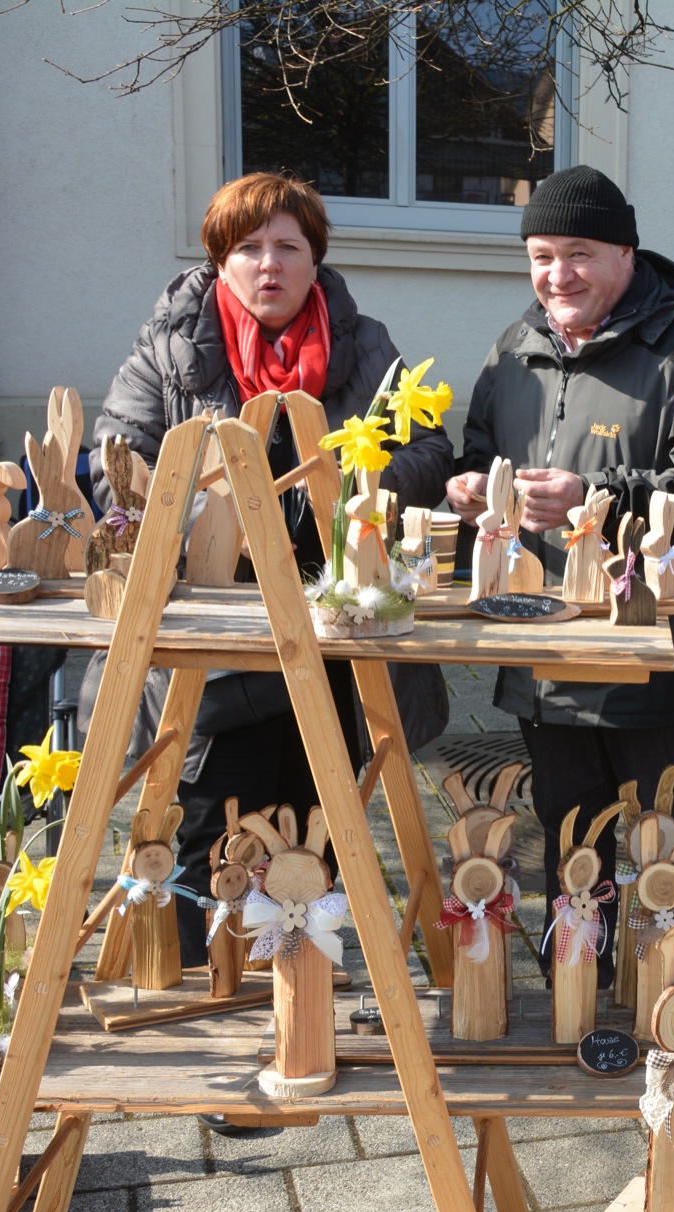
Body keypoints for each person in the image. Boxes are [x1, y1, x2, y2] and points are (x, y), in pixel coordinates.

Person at [85, 171, 454, 973]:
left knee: (314, 832)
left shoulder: (363, 348)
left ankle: (297, 1012)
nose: (268, 264)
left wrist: (357, 491)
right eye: (247, 247)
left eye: (288, 246)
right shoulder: (171, 348)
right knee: (209, 831)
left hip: (329, 637)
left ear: (314, 259)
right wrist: (181, 504)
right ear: (220, 260)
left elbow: (430, 450)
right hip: (212, 649)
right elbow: (109, 461)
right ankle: (204, 1005)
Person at [448, 166, 674, 983]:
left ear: (625, 251)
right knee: (570, 840)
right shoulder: (515, 347)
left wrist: (599, 498)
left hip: (655, 657)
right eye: (542, 256)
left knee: (663, 843)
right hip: (544, 652)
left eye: (579, 253)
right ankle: (575, 994)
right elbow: (480, 448)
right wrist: (472, 483)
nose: (558, 276)